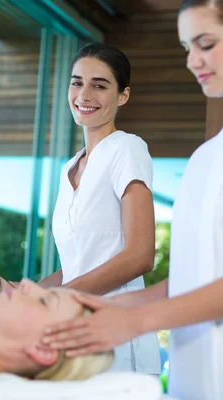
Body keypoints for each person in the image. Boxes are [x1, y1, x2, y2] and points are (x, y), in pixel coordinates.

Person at [42, 1, 223, 399]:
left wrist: (138, 320)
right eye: (187, 48)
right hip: (188, 381)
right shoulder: (204, 158)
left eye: (206, 43)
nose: (193, 60)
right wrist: (106, 312)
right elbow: (191, 279)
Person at [37, 43, 160, 374]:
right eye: (77, 82)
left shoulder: (127, 149)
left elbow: (140, 256)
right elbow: (79, 263)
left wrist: (58, 299)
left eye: (100, 85)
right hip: (76, 340)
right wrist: (24, 296)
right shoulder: (69, 169)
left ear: (122, 96)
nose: (84, 94)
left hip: (119, 340)